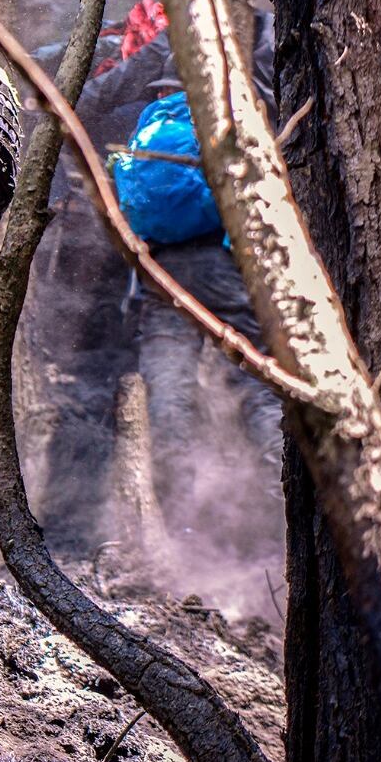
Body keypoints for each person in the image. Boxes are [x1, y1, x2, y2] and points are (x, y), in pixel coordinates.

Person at [115, 76, 283, 534]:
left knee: (170, 400)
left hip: (162, 275)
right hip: (225, 265)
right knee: (260, 389)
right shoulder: (233, 115)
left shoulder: (151, 124)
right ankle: (281, 523)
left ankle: (183, 533)